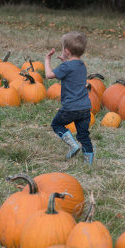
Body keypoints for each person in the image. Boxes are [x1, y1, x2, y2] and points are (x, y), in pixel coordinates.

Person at [45, 31, 94, 164]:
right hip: (85, 108)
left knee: (57, 124)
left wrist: (47, 59)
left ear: (66, 51)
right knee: (83, 135)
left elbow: (49, 75)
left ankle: (73, 145)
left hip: (70, 108)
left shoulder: (66, 66)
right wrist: (65, 61)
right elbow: (73, 71)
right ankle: (88, 162)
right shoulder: (82, 65)